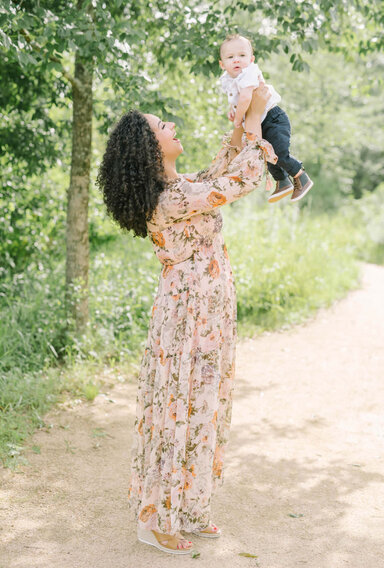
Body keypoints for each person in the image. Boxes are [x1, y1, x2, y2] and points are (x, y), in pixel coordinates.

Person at [96, 83, 277, 555]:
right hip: (187, 315)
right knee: (178, 410)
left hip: (209, 310)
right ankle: (158, 517)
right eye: (162, 126)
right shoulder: (169, 200)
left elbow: (219, 170)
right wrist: (256, 127)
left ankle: (191, 507)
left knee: (202, 408)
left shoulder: (180, 188)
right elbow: (235, 183)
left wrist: (242, 122)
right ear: (150, 148)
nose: (171, 125)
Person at [219, 33, 314, 203]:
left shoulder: (249, 72)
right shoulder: (227, 79)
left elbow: (246, 97)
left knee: (279, 153)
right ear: (222, 64)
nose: (236, 60)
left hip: (273, 118)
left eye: (242, 55)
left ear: (251, 59)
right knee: (267, 154)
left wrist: (237, 119)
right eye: (230, 57)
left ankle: (301, 176)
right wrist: (233, 111)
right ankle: (283, 181)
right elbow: (236, 99)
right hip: (259, 121)